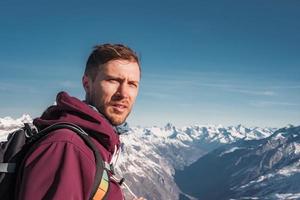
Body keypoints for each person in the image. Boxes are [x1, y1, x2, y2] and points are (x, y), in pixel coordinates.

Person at [16, 44, 145, 200]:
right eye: (113, 80)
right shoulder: (68, 146)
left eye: (132, 84)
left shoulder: (94, 141)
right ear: (87, 83)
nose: (124, 93)